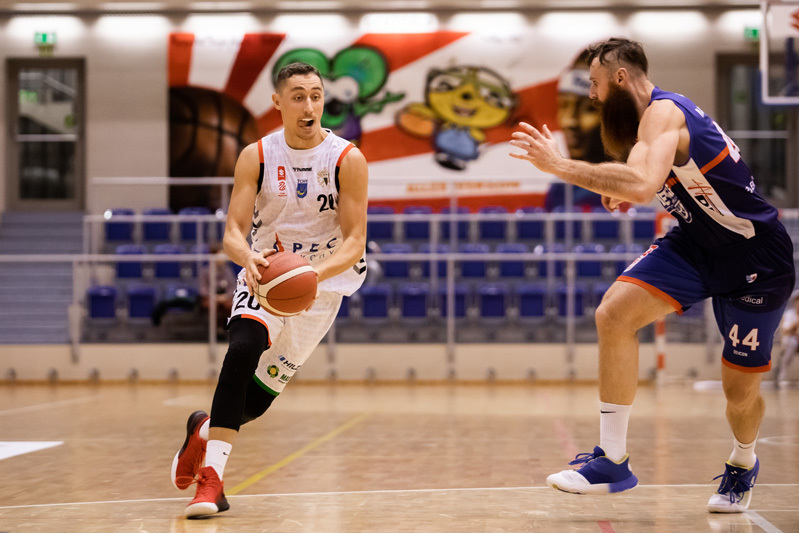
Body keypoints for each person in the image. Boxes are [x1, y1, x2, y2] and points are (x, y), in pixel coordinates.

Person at [510, 37, 795, 513]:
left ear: (620, 77)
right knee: (614, 314)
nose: (592, 95)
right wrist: (620, 184)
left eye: (596, 83)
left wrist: (558, 165)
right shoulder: (648, 120)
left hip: (755, 259)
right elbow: (648, 175)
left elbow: (642, 185)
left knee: (739, 392)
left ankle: (743, 461)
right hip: (695, 243)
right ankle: (611, 462)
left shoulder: (665, 112)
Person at [170, 61, 369, 518]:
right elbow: (232, 234)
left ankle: (202, 431)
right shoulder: (256, 155)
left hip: (322, 285)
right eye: (298, 97)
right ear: (278, 102)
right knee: (241, 350)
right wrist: (247, 258)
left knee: (254, 403)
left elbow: (355, 241)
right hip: (265, 274)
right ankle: (211, 482)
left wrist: (313, 274)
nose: (309, 106)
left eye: (316, 96)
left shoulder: (347, 159)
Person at [544, 49, 605, 212]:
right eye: (564, 105)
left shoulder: (630, 182)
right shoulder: (560, 188)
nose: (570, 121)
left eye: (589, 109)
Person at [197, 245, 237, 332]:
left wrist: (225, 296)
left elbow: (232, 286)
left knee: (230, 305)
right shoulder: (204, 271)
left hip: (225, 297)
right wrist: (214, 297)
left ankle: (229, 329)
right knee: (212, 306)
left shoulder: (227, 270)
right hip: (210, 297)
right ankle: (214, 331)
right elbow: (203, 289)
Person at [774, 290, 799, 386]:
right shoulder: (789, 314)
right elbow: (785, 331)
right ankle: (781, 375)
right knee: (792, 342)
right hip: (790, 341)